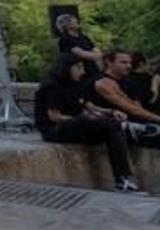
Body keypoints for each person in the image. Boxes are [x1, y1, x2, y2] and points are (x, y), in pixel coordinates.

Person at [34, 53, 138, 192]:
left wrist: (111, 112)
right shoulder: (52, 86)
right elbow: (54, 116)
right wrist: (84, 120)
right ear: (68, 68)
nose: (82, 71)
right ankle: (123, 175)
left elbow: (89, 106)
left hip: (76, 125)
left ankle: (122, 179)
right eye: (79, 67)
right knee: (107, 125)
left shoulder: (76, 84)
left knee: (113, 128)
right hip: (54, 129)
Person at [87, 49, 160, 127]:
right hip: (112, 127)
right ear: (109, 62)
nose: (129, 66)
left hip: (136, 124)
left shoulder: (126, 81)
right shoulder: (102, 82)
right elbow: (131, 109)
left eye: (129, 63)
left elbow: (137, 107)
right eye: (123, 62)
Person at [56, 14, 101, 82]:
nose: (76, 21)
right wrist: (94, 55)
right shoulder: (65, 39)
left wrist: (96, 55)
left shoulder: (84, 37)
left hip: (93, 69)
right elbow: (81, 54)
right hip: (79, 72)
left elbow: (97, 51)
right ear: (66, 25)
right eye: (71, 20)